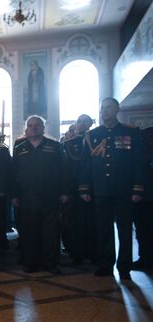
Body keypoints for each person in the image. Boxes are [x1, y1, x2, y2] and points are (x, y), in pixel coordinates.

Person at [79, 98, 144, 279]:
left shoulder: (130, 132)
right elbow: (86, 165)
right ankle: (105, 264)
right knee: (103, 228)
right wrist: (84, 188)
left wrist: (138, 188)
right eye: (102, 108)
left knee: (124, 229)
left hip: (124, 189)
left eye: (108, 107)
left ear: (117, 109)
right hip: (101, 189)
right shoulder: (92, 135)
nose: (104, 111)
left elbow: (139, 162)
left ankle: (124, 266)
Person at [12, 115, 68, 274]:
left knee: (51, 233)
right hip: (26, 197)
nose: (34, 127)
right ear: (26, 129)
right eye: (30, 125)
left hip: (50, 196)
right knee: (29, 232)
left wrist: (65, 192)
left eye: (37, 125)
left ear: (43, 128)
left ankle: (51, 263)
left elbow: (64, 171)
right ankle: (31, 263)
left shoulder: (55, 146)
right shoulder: (19, 147)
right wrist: (14, 195)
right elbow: (13, 173)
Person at [61, 114, 97, 264]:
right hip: (72, 188)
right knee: (72, 222)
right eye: (80, 122)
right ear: (75, 124)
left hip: (92, 187)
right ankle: (75, 251)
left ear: (90, 124)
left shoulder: (95, 140)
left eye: (86, 122)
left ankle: (91, 251)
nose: (82, 124)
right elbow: (64, 168)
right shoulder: (68, 143)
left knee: (90, 221)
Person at [132, 126, 153, 270]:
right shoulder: (143, 141)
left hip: (144, 195)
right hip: (143, 194)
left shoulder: (142, 144)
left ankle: (146, 259)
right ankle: (145, 258)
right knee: (143, 229)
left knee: (144, 229)